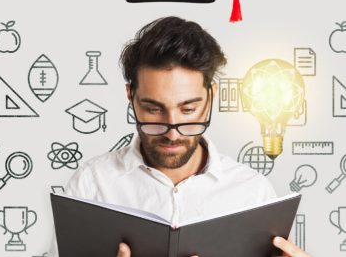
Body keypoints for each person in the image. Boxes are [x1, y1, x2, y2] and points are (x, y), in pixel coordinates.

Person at [49, 16, 311, 257]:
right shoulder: (91, 186)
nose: (172, 131)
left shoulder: (253, 194)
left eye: (188, 109)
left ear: (211, 96)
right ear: (130, 96)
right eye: (154, 109)